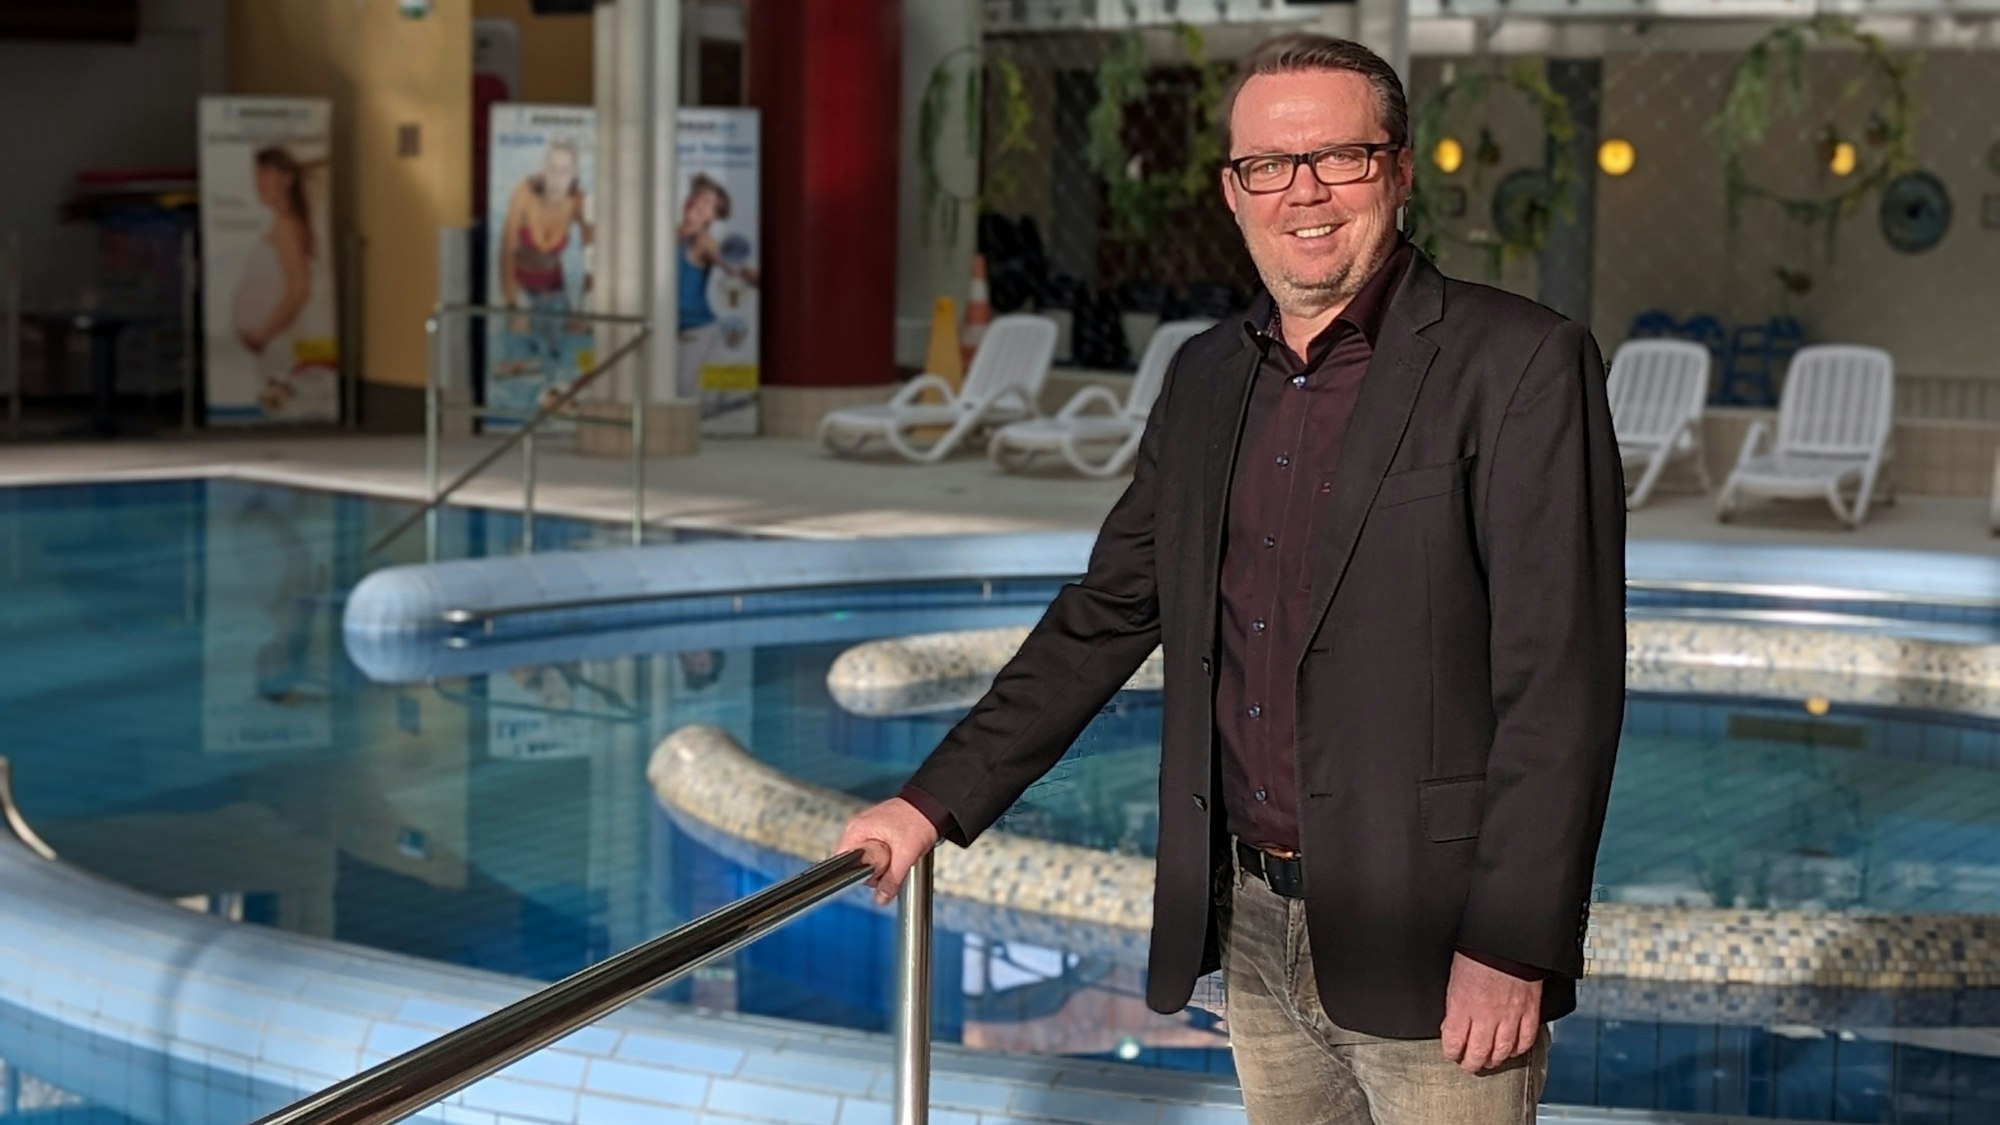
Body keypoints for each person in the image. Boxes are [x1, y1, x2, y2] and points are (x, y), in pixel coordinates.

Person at [833, 32, 1626, 1125]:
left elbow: (1560, 683)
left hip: (1436, 946)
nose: (1302, 194)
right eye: (1268, 165)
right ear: (1231, 190)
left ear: (1397, 170)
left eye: (1338, 158)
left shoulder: (1519, 364)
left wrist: (1510, 942)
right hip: (1249, 923)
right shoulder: (1204, 375)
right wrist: (932, 801)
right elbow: (1105, 616)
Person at [231, 146, 334, 417]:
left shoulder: (287, 227)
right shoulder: (283, 223)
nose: (259, 183)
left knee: (281, 407)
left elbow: (299, 289)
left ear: (287, 179)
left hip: (277, 340)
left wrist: (263, 334)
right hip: (274, 343)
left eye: (267, 174)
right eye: (257, 175)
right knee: (277, 405)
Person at [497, 137, 593, 376]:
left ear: (574, 173)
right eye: (552, 168)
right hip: (522, 291)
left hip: (555, 294)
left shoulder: (577, 200)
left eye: (565, 171)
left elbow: (592, 247)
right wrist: (513, 304)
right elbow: (507, 247)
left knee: (557, 366)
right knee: (517, 368)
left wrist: (586, 305)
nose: (558, 178)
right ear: (543, 169)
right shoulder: (525, 193)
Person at [675, 173, 758, 403]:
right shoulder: (670, 235)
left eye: (710, 204)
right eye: (700, 197)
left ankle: (742, 393)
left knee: (686, 396)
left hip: (698, 331)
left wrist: (750, 275)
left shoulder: (703, 242)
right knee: (672, 393)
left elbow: (730, 263)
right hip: (670, 331)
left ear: (713, 216)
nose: (703, 204)